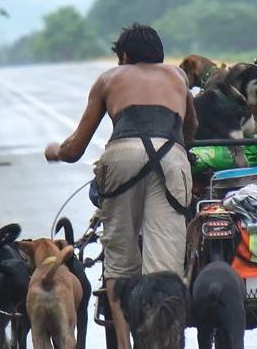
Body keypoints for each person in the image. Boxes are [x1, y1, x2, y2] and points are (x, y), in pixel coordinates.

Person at [44, 23, 198, 349]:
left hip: (123, 157)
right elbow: (192, 127)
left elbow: (75, 149)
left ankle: (125, 344)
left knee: (120, 261)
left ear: (125, 56)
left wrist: (54, 150)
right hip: (172, 159)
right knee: (165, 267)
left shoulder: (109, 79)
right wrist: (180, 153)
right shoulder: (177, 77)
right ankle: (165, 340)